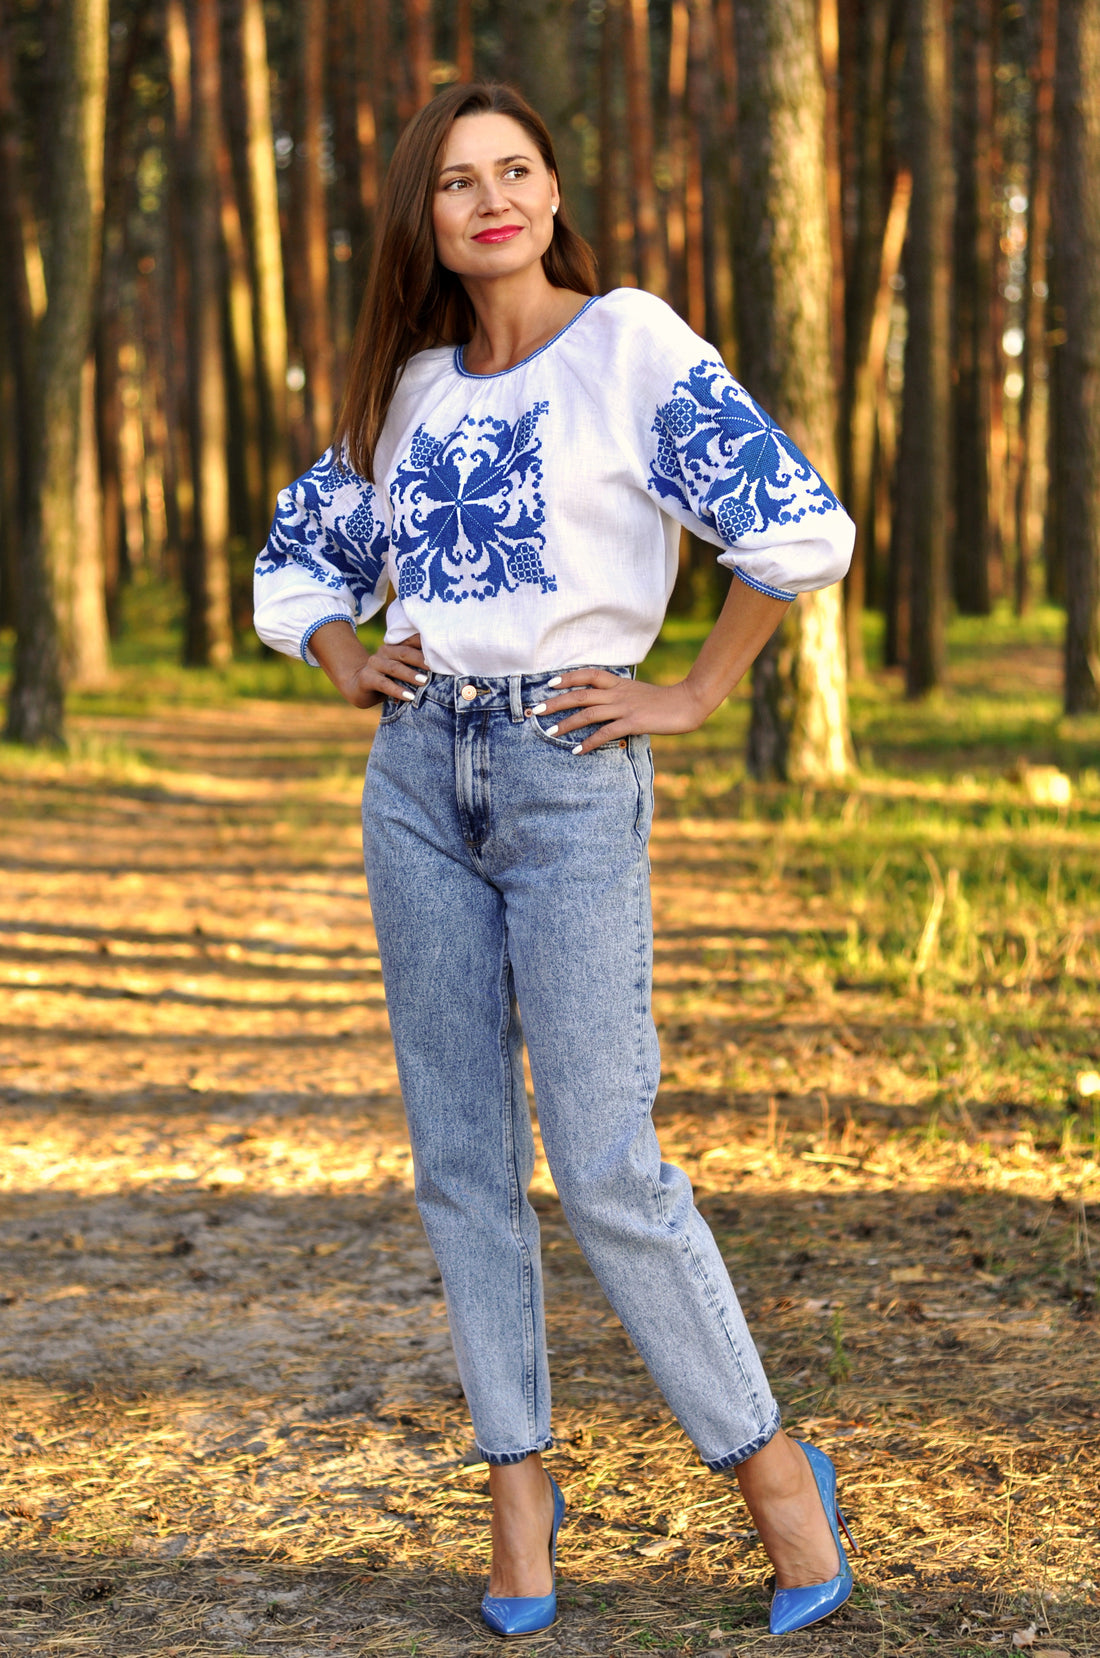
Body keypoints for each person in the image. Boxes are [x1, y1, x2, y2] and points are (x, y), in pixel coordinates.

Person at [254, 82, 858, 1639]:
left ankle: (777, 1467)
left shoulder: (631, 342)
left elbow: (790, 521)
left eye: (515, 169)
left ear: (551, 189)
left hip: (571, 767)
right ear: (429, 219)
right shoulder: (410, 387)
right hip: (416, 773)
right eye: (458, 181)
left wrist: (695, 687)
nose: (492, 198)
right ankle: (519, 1491)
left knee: (604, 1159)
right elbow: (306, 551)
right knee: (462, 1162)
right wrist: (337, 649)